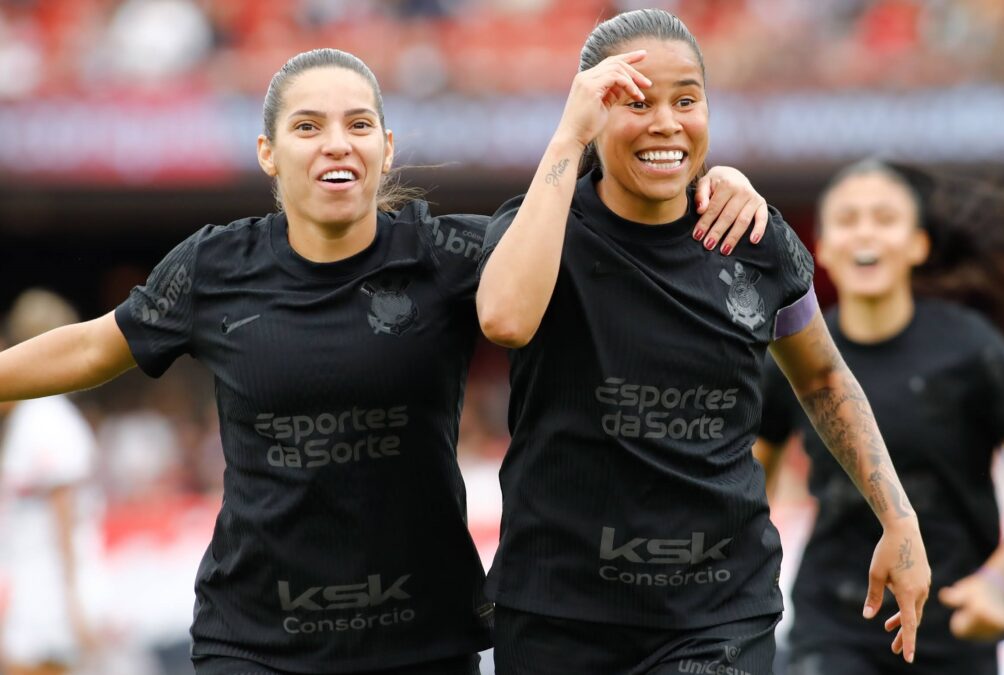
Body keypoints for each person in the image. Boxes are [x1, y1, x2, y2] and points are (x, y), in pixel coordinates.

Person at [0, 47, 770, 674]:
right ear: (268, 152)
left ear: (386, 146)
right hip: (254, 640)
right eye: (308, 126)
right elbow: (97, 343)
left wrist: (709, 181)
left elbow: (596, 240)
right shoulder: (213, 267)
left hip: (421, 641)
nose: (337, 141)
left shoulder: (450, 255)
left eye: (359, 123)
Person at [476, 9, 931, 675]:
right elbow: (506, 320)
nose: (666, 122)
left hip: (717, 612)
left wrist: (899, 518)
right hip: (556, 612)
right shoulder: (536, 232)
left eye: (686, 99)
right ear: (592, 112)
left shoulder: (755, 240)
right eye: (634, 101)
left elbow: (824, 379)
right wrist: (567, 138)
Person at [755, 158, 1004, 675]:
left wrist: (997, 582)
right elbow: (751, 483)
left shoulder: (974, 350)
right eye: (849, 219)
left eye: (884, 218)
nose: (866, 232)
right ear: (823, 248)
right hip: (832, 625)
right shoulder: (793, 357)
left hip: (953, 623)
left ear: (918, 245)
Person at [0, 290, 102, 675]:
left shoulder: (41, 418)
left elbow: (63, 512)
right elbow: (58, 516)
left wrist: (72, 600)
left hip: (43, 589)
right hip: (43, 587)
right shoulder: (43, 417)